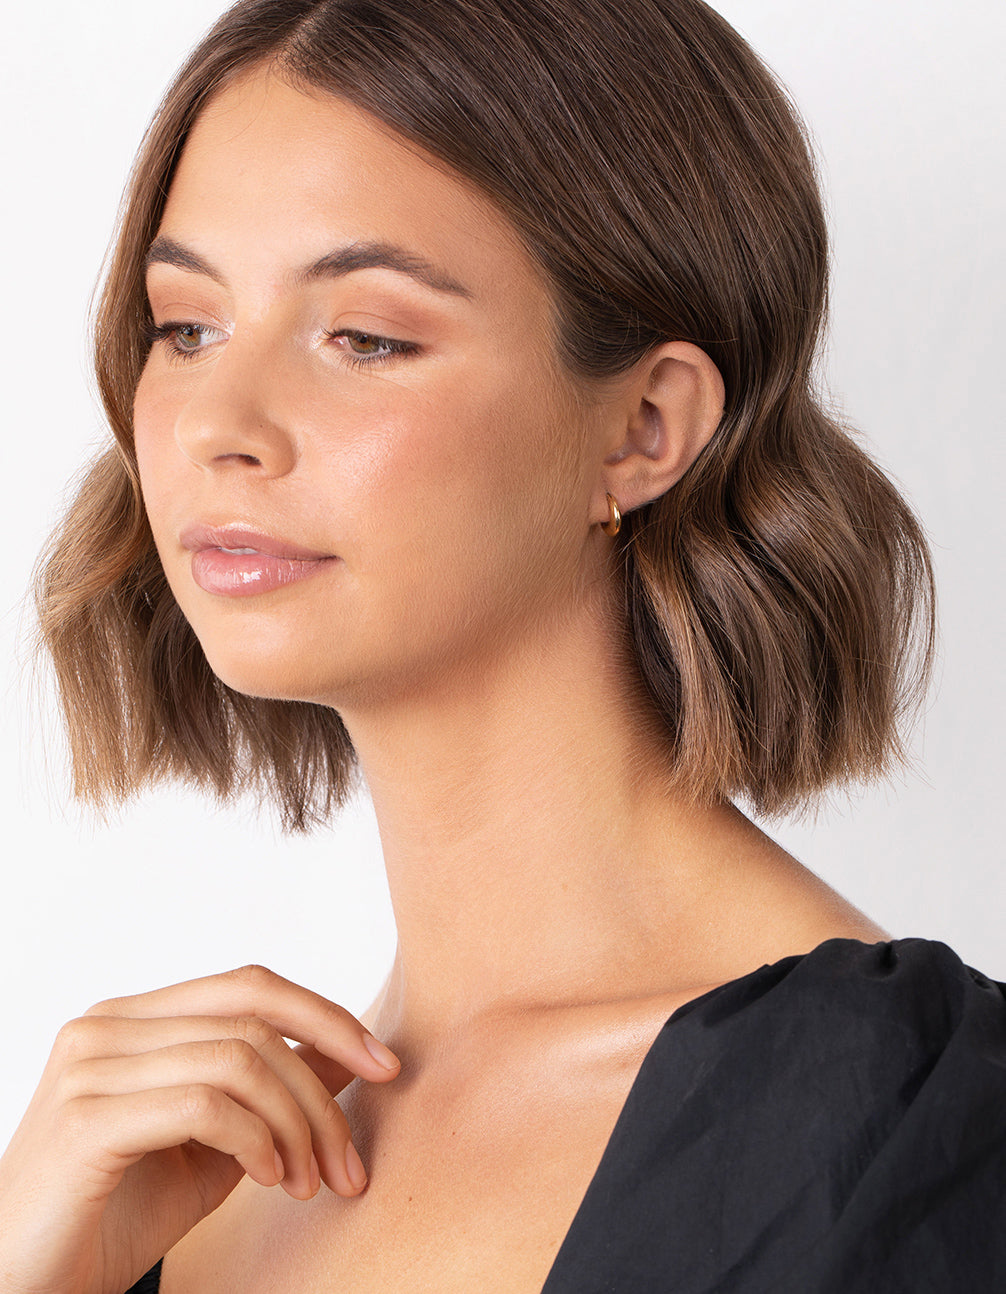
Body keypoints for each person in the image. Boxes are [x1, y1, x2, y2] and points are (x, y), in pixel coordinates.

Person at [1, 0, 1003, 1290]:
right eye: (186, 328)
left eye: (365, 337)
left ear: (644, 427)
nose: (214, 426)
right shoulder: (170, 1171)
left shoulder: (905, 1125)